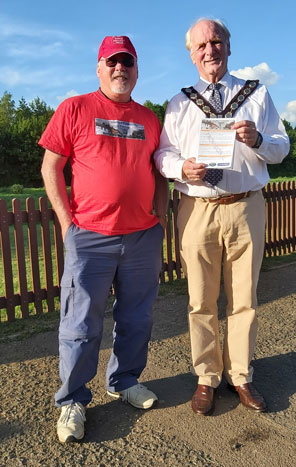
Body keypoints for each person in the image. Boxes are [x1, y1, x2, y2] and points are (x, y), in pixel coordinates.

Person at [154, 18, 289, 416]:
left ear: (228, 47)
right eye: (201, 46)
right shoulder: (180, 102)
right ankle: (207, 377)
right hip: (196, 210)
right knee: (201, 300)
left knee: (244, 297)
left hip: (246, 205)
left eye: (216, 42)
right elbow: (162, 154)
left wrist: (259, 139)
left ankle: (241, 375)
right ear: (191, 54)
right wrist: (183, 169)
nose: (209, 50)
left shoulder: (257, 94)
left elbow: (281, 147)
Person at [40, 35, 168, 443]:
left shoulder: (149, 119)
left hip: (142, 237)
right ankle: (73, 399)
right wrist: (66, 221)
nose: (119, 68)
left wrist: (160, 218)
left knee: (137, 317)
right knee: (79, 323)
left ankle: (125, 380)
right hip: (90, 236)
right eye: (111, 61)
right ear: (98, 68)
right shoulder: (74, 108)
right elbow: (50, 168)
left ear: (136, 69)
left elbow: (161, 172)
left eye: (127, 62)